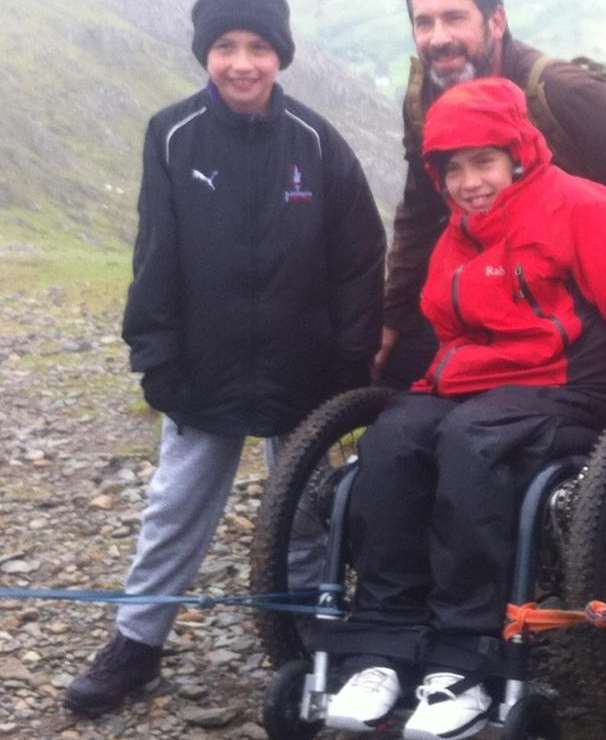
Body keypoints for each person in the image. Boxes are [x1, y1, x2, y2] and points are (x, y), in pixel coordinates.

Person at [325, 78, 606, 740]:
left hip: (575, 388)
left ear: (519, 153)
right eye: (454, 167)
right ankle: (381, 648)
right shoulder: (457, 237)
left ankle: (467, 662)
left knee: (475, 442)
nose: (469, 182)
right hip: (479, 388)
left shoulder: (589, 211)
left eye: (483, 162)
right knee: (393, 440)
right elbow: (451, 334)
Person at [63, 0, 385, 717]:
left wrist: (348, 359)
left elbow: (360, 259)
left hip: (303, 367)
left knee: (301, 507)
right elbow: (156, 253)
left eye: (258, 47)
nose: (242, 62)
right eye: (226, 46)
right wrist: (157, 354)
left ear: (281, 54)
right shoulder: (171, 134)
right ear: (205, 53)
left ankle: (302, 624)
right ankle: (136, 641)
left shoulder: (318, 140)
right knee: (175, 506)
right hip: (202, 366)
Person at [376, 0, 606, 387]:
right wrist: (393, 320)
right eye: (424, 23)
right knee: (400, 372)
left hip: (598, 293)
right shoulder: (430, 101)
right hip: (510, 291)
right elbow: (420, 213)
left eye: (454, 18)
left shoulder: (562, 92)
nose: (438, 37)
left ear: (497, 21)